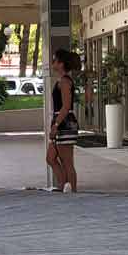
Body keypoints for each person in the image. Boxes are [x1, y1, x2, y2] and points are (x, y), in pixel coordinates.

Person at [46, 48, 80, 192]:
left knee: (67, 162)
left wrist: (56, 125)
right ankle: (63, 187)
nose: (52, 62)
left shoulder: (65, 81)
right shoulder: (62, 80)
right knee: (51, 158)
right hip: (62, 122)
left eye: (54, 60)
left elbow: (66, 106)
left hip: (65, 124)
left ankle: (72, 191)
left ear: (61, 63)